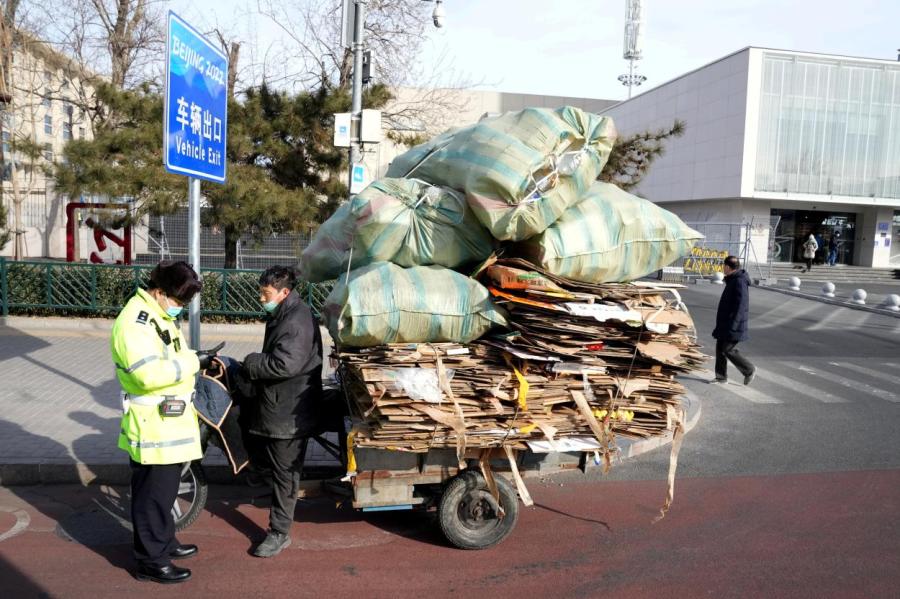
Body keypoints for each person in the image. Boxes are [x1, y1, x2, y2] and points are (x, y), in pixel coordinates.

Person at [111, 261, 222, 584]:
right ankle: (151, 560)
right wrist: (192, 361)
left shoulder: (157, 315)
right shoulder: (135, 322)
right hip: (153, 425)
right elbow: (145, 374)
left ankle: (162, 541)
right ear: (159, 293)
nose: (180, 309)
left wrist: (195, 358)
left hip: (167, 423)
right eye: (178, 302)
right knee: (152, 496)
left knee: (163, 493)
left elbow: (169, 357)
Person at [239, 265, 323, 558]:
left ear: (284, 293)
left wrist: (251, 362)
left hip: (290, 410)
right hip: (280, 402)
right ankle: (261, 474)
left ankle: (279, 533)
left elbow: (284, 364)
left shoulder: (296, 321)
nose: (262, 299)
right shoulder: (285, 312)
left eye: (266, 294)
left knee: (286, 474)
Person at [710, 255, 756, 386]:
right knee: (720, 348)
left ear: (727, 267)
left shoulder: (739, 281)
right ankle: (721, 377)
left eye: (723, 266)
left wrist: (734, 325)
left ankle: (749, 370)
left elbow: (741, 305)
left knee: (727, 349)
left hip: (733, 324)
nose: (722, 269)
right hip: (726, 322)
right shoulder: (732, 279)